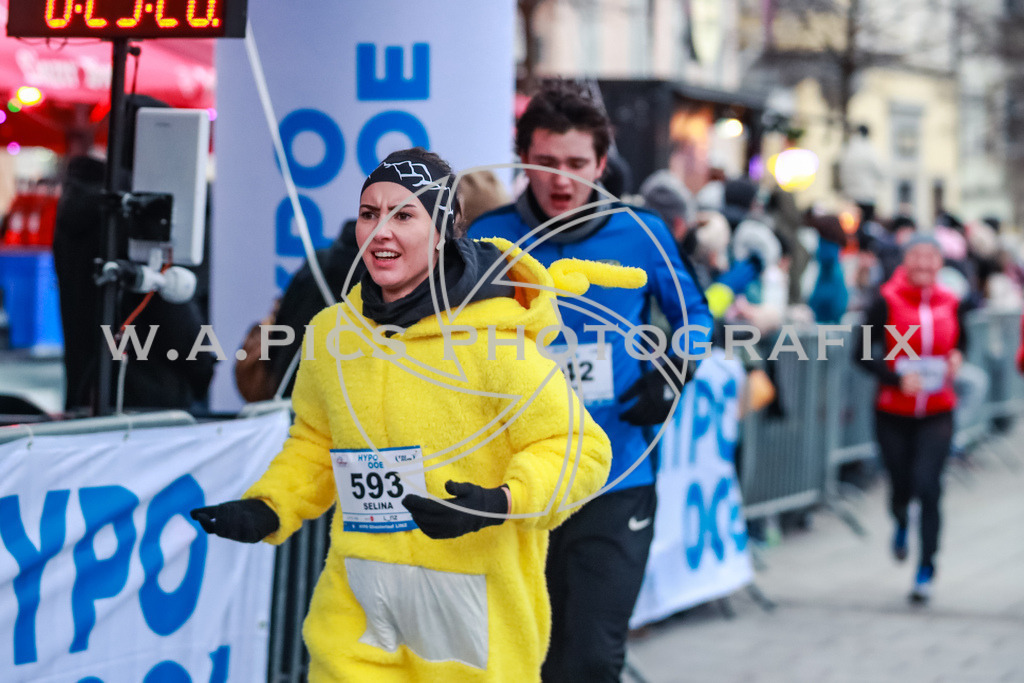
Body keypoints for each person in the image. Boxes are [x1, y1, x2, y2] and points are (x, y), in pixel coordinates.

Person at [190, 147, 649, 682]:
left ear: (444, 230)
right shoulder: (333, 335)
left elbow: (579, 449)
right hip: (362, 612)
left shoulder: (495, 343)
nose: (381, 231)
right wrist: (271, 506)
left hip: (471, 624)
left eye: (404, 215)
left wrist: (503, 502)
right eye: (369, 213)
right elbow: (316, 441)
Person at [470, 80, 713, 682]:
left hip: (617, 472)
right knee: (526, 659)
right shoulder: (487, 239)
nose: (560, 178)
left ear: (601, 164)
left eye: (577, 163)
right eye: (545, 162)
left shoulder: (642, 231)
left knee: (590, 659)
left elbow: (697, 318)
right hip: (518, 480)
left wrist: (672, 371)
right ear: (524, 157)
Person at [853, 233, 964, 603]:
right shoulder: (885, 299)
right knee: (902, 484)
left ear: (941, 264)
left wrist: (958, 357)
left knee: (929, 485)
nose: (924, 265)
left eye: (931, 258)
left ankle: (926, 568)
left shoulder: (952, 301)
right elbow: (862, 351)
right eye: (916, 257)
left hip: (938, 409)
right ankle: (901, 520)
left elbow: (963, 341)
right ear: (905, 261)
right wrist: (896, 377)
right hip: (893, 410)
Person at [839, 124, 886, 223]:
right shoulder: (869, 149)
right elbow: (880, 171)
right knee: (866, 225)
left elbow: (842, 171)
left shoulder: (848, 149)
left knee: (852, 225)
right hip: (866, 195)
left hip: (850, 195)